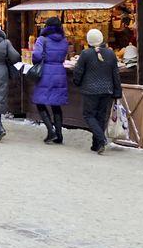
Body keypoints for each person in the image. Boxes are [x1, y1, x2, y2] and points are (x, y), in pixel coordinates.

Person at [72, 28, 122, 154]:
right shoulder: (110, 54)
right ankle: (96, 145)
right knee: (100, 116)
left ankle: (101, 139)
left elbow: (78, 71)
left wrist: (77, 82)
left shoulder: (85, 54)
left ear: (89, 41)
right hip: (107, 90)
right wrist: (117, 91)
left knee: (89, 115)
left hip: (90, 90)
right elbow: (115, 74)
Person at [32, 16, 69, 144]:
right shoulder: (64, 40)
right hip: (59, 72)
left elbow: (36, 55)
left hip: (46, 72)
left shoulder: (42, 39)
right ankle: (59, 134)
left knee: (40, 101)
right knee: (56, 104)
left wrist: (39, 59)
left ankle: (50, 131)